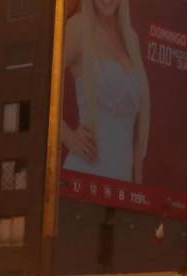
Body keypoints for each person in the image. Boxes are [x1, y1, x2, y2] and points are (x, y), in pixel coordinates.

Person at [61, 0, 151, 183]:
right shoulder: (78, 28)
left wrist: (139, 189)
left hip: (121, 182)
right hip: (85, 174)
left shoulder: (131, 39)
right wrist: (68, 137)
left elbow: (140, 120)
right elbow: (43, 82)